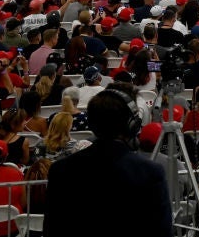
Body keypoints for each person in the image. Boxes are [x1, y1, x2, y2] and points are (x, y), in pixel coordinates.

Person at [45, 86, 172, 237]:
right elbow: (161, 231)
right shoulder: (150, 172)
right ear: (132, 125)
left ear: (91, 124)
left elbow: (52, 229)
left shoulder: (60, 170)